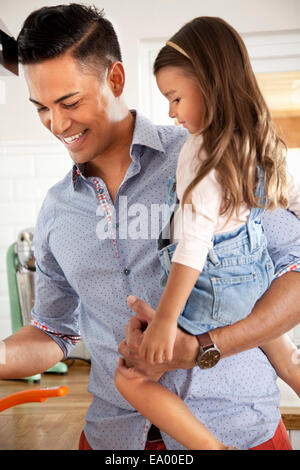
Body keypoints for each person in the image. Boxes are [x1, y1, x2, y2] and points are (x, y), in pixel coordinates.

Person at [0, 4, 299, 450]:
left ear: (115, 79)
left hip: (237, 430)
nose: (57, 124)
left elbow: (293, 273)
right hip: (113, 438)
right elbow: (53, 331)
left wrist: (203, 347)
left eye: (70, 102)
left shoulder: (209, 156)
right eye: (41, 107)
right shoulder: (56, 212)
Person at [114, 16, 300, 450]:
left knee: (131, 376)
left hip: (211, 289)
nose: (171, 113)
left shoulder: (199, 152)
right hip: (251, 285)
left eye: (175, 97)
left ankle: (208, 448)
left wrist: (162, 324)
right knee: (266, 333)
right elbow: (292, 198)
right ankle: (289, 364)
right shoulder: (262, 139)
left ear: (211, 83)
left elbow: (193, 247)